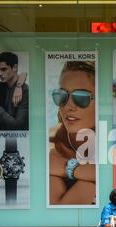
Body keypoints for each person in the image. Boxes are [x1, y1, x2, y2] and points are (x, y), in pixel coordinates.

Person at [49, 61, 96, 205]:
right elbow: (59, 210)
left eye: (81, 97)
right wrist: (89, 175)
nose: (68, 106)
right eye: (62, 95)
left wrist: (70, 169)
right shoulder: (51, 144)